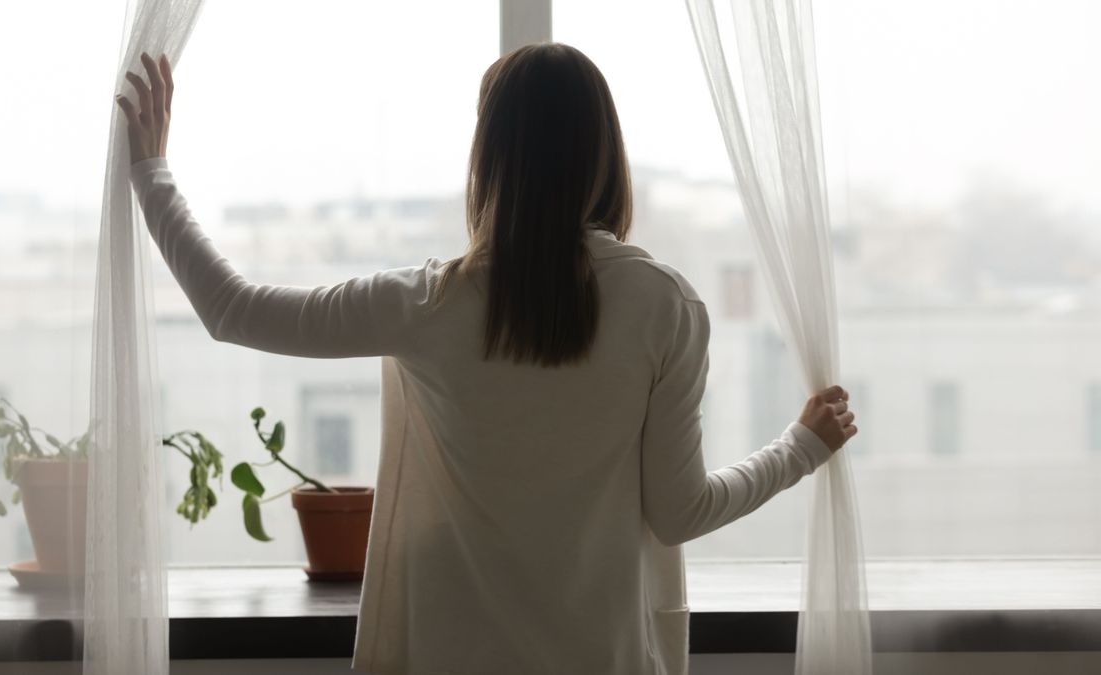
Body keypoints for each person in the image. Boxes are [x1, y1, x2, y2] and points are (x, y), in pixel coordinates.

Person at [118, 44, 856, 675]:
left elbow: (231, 308)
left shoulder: (423, 304)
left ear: (489, 159)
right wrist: (800, 448)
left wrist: (152, 172)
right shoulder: (664, 304)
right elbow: (680, 510)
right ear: (604, 155)